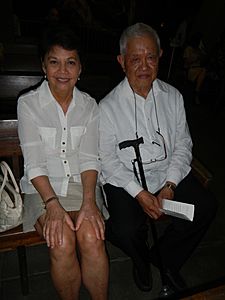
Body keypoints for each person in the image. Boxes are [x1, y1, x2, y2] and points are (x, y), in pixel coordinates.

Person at [99, 22, 217, 294]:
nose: (143, 66)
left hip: (166, 175)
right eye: (135, 59)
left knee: (205, 207)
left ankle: (165, 258)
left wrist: (170, 186)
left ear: (160, 56)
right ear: (122, 61)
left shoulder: (173, 97)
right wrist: (140, 194)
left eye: (150, 57)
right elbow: (108, 160)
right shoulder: (107, 108)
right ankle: (140, 260)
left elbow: (184, 144)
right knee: (125, 229)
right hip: (126, 180)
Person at [17, 23, 109, 300]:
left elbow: (90, 158)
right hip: (42, 189)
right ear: (43, 66)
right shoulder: (28, 104)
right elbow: (34, 164)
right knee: (61, 241)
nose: (62, 71)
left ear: (80, 69)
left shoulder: (90, 106)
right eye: (54, 62)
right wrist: (52, 205)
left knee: (93, 237)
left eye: (71, 62)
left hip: (83, 185)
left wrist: (90, 202)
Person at [183, 32, 207, 104]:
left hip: (198, 69)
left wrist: (202, 53)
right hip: (190, 69)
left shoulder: (199, 50)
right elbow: (186, 62)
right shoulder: (188, 49)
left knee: (203, 71)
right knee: (203, 71)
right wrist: (195, 58)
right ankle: (196, 93)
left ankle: (197, 92)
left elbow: (204, 60)